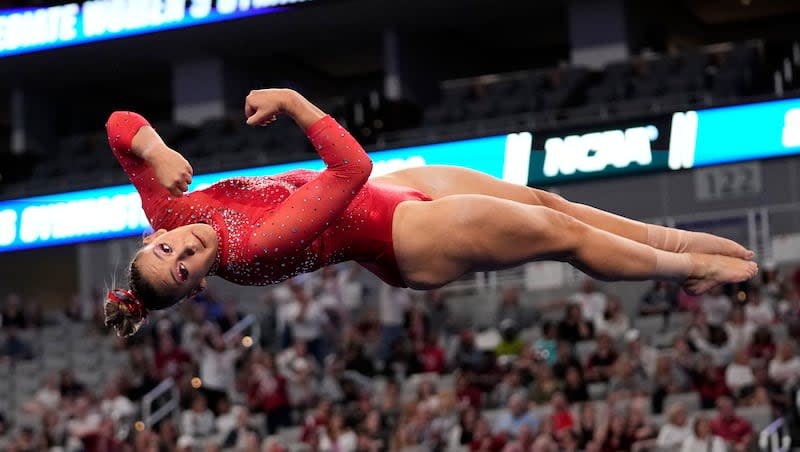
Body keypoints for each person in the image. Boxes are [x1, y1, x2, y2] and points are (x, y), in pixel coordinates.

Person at [103, 88, 757, 336]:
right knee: (561, 235)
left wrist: (155, 149)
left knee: (547, 201)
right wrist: (298, 105)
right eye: (187, 270)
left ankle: (683, 242)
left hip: (395, 192)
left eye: (168, 251)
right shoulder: (249, 248)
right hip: (399, 236)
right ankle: (690, 268)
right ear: (196, 289)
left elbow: (118, 123)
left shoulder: (166, 206)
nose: (187, 251)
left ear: (149, 238)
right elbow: (350, 170)